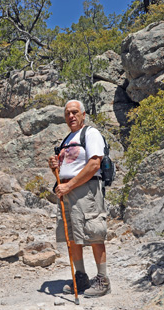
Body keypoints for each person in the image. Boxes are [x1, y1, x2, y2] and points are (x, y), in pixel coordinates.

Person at [48, 99, 110, 297]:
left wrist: (69, 185)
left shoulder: (90, 134)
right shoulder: (67, 139)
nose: (71, 116)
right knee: (72, 236)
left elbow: (94, 165)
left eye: (75, 112)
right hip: (67, 191)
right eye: (67, 113)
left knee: (94, 232)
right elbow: (66, 169)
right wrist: (55, 169)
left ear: (83, 114)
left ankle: (102, 279)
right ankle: (81, 277)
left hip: (86, 190)